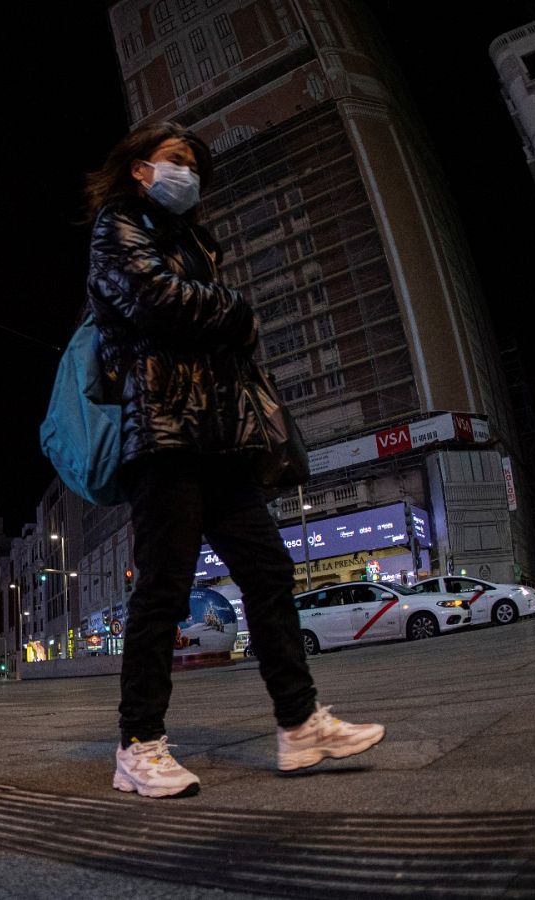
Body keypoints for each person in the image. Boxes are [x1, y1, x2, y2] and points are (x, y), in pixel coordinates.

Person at [83, 122, 384, 799]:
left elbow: (198, 320)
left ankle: (301, 724)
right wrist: (236, 307)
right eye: (176, 160)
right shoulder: (117, 225)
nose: (187, 173)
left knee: (268, 571)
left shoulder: (194, 239)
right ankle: (137, 746)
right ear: (139, 168)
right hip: (162, 432)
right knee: (163, 589)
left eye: (194, 165)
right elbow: (154, 300)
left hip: (220, 435)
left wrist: (221, 315)